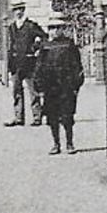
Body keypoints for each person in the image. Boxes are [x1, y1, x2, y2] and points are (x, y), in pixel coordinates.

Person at [34, 15, 86, 155]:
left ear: (63, 29)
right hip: (50, 87)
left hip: (66, 86)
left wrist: (76, 85)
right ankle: (56, 143)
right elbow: (39, 67)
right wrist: (39, 86)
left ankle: (69, 143)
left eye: (58, 28)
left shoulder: (69, 45)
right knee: (52, 117)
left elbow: (77, 66)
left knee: (67, 116)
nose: (55, 31)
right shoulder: (45, 46)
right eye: (52, 28)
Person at [4, 0, 46, 127]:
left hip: (29, 62)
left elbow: (44, 37)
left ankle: (37, 117)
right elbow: (9, 45)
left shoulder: (31, 26)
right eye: (15, 10)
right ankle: (18, 118)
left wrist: (36, 48)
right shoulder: (11, 27)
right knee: (16, 91)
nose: (18, 12)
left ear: (23, 10)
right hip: (15, 63)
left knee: (33, 91)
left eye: (20, 9)